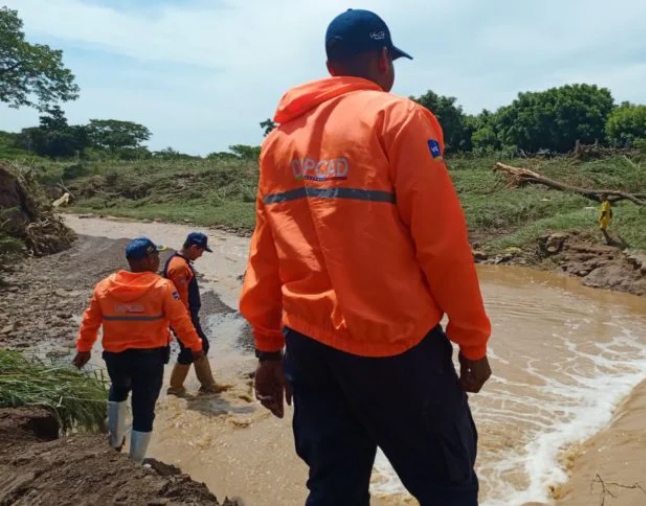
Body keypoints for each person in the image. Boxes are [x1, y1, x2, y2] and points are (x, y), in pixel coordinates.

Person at [238, 8, 492, 505]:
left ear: (332, 64)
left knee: (333, 487)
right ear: (382, 59)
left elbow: (264, 255)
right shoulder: (398, 118)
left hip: (310, 348)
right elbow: (443, 247)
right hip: (396, 346)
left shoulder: (277, 142)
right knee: (449, 488)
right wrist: (472, 343)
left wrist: (269, 352)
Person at [72, 237, 204, 463]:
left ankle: (115, 441)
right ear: (150, 258)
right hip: (148, 359)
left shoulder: (105, 286)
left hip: (116, 358)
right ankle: (134, 462)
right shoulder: (162, 287)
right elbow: (181, 321)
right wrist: (196, 347)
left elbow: (90, 322)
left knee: (118, 390)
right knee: (144, 408)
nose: (159, 260)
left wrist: (83, 349)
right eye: (157, 256)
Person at [163, 232, 228, 395]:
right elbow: (180, 300)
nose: (201, 255)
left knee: (200, 346)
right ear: (194, 247)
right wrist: (187, 323)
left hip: (185, 317)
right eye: (201, 251)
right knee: (192, 349)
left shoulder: (180, 262)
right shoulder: (179, 267)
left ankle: (206, 384)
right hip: (183, 318)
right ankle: (176, 388)